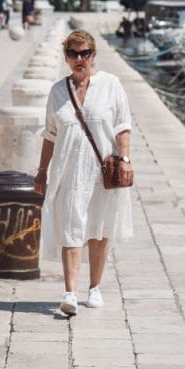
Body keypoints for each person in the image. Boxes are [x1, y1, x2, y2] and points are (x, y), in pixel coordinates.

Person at [34, 30, 133, 317]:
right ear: (66, 57)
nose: (80, 59)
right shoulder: (57, 91)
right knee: (71, 230)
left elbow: (122, 126)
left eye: (85, 53)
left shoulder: (111, 85)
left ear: (93, 55)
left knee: (99, 231)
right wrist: (41, 172)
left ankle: (95, 288)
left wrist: (124, 159)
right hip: (68, 172)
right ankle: (70, 293)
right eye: (73, 53)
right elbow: (50, 135)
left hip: (101, 172)